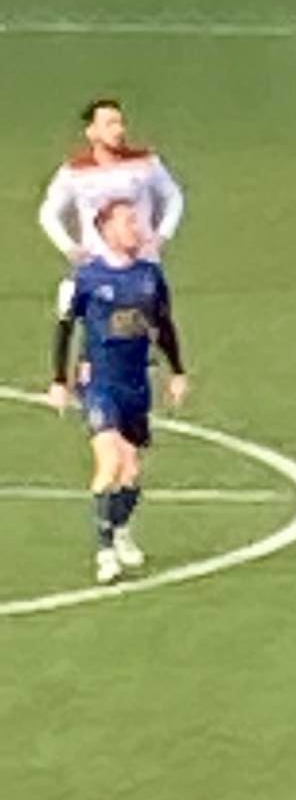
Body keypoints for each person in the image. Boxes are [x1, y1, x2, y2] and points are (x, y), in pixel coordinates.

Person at [46, 192, 186, 585]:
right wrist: (59, 379)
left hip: (135, 384)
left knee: (132, 470)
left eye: (137, 221)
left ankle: (121, 529)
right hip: (100, 384)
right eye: (128, 222)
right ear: (106, 230)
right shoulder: (86, 279)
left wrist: (177, 371)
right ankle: (105, 552)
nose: (136, 228)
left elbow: (164, 325)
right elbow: (64, 327)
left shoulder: (150, 276)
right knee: (110, 463)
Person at [38, 98, 183, 270]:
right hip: (96, 270)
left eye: (120, 123)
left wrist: (162, 236)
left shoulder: (145, 163)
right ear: (91, 132)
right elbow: (49, 213)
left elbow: (173, 196)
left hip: (143, 268)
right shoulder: (75, 171)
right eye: (110, 124)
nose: (118, 130)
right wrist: (69, 249)